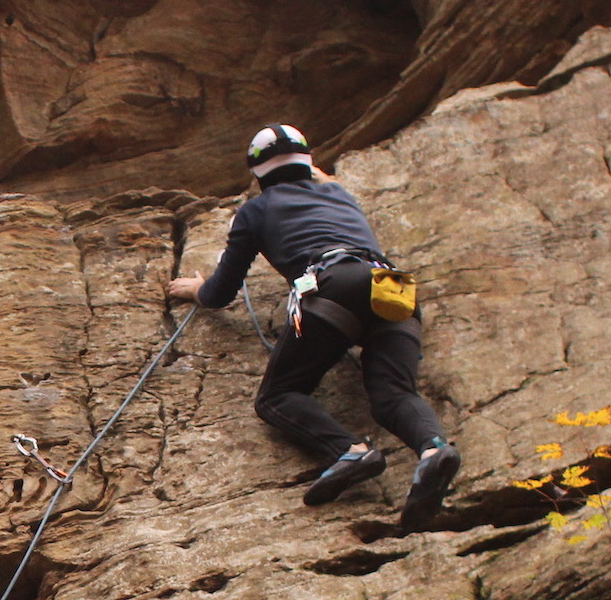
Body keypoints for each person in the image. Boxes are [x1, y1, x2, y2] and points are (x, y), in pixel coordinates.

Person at [167, 124, 460, 531]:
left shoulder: (255, 210)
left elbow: (220, 293)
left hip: (334, 286)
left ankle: (350, 451)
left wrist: (198, 288)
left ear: (257, 174)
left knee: (278, 395)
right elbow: (319, 177)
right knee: (394, 394)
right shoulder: (339, 193)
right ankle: (433, 451)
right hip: (392, 287)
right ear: (309, 162)